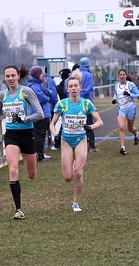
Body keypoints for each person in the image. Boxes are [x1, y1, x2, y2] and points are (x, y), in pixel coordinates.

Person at [0, 64, 44, 220]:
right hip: (11, 135)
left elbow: (40, 113)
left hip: (27, 134)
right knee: (12, 170)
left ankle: (34, 157)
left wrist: (25, 119)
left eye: (13, 75)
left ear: (18, 76)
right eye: (7, 76)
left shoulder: (26, 92)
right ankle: (18, 209)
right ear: (4, 78)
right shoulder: (2, 95)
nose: (10, 78)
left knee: (31, 175)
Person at [49, 69, 103, 212]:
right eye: (71, 86)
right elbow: (51, 124)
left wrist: (89, 127)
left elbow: (100, 122)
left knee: (78, 173)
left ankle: (75, 203)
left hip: (81, 140)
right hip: (66, 140)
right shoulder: (62, 104)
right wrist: (55, 134)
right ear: (67, 89)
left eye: (75, 86)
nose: (73, 88)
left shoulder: (86, 104)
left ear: (80, 88)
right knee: (68, 177)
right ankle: (72, 164)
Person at [26, 66, 52, 162]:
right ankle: (39, 156)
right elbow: (42, 98)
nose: (42, 75)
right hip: (41, 114)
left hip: (42, 113)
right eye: (41, 73)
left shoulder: (36, 85)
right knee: (39, 135)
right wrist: (48, 96)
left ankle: (40, 154)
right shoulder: (34, 86)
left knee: (40, 134)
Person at [112, 69, 139, 155]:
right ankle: (122, 148)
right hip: (121, 109)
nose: (122, 76)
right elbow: (116, 94)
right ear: (118, 76)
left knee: (130, 129)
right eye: (120, 75)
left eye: (123, 74)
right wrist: (114, 99)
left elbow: (138, 94)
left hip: (131, 108)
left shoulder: (130, 84)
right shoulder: (117, 86)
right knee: (121, 127)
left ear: (126, 75)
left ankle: (136, 134)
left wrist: (130, 94)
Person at [78, 57, 99, 153]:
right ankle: (91, 146)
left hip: (76, 102)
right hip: (87, 102)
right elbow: (88, 88)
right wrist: (81, 96)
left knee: (79, 123)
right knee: (90, 124)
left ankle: (80, 145)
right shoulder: (89, 75)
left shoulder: (76, 74)